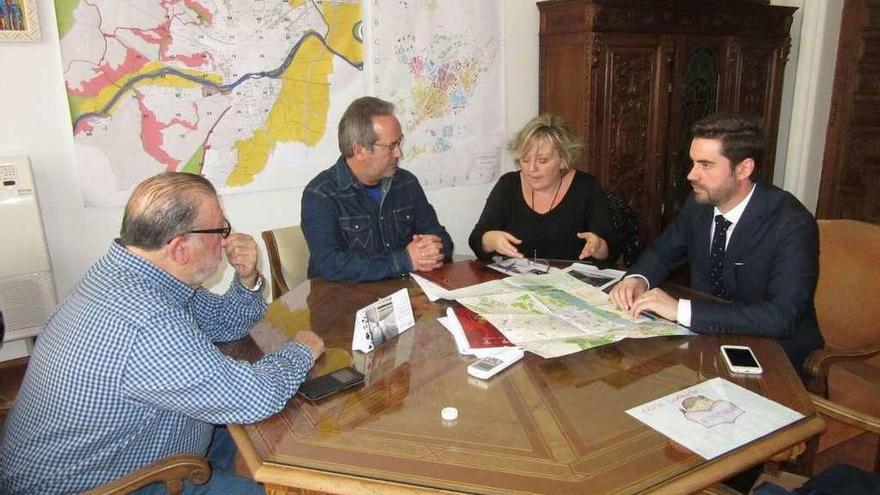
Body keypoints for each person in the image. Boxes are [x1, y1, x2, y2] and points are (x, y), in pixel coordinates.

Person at [0, 172, 325, 495]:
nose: (227, 239)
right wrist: (301, 351)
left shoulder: (135, 275)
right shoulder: (147, 318)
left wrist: (246, 279)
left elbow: (226, 325)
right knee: (270, 438)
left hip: (131, 446)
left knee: (265, 436)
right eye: (220, 229)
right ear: (180, 249)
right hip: (102, 485)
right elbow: (254, 396)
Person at [609, 112, 823, 374]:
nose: (691, 175)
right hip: (708, 341)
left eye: (705, 165)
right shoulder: (699, 205)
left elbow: (781, 316)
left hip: (775, 353)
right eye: (692, 163)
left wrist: (680, 310)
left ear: (744, 168)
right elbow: (663, 252)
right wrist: (638, 278)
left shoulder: (791, 223)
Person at [301, 96, 453, 282]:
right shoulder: (320, 194)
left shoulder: (406, 183)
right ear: (359, 151)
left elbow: (440, 237)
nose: (399, 153)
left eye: (399, 142)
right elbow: (332, 265)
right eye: (391, 146)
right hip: (342, 301)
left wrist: (432, 250)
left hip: (405, 296)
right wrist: (404, 260)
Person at [468, 114, 619, 263]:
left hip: (571, 283)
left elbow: (613, 250)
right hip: (517, 282)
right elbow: (476, 239)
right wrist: (489, 240)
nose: (531, 168)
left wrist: (598, 246)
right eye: (525, 159)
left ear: (563, 159)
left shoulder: (586, 188)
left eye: (542, 160)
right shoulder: (508, 185)